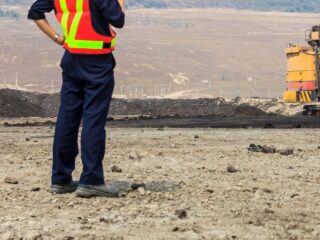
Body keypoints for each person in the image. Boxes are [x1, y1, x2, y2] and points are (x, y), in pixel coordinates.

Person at [28, 0, 125, 197]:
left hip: (72, 59)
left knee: (67, 119)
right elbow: (118, 19)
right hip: (97, 61)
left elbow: (35, 12)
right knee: (93, 121)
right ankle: (91, 180)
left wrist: (57, 39)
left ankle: (61, 179)